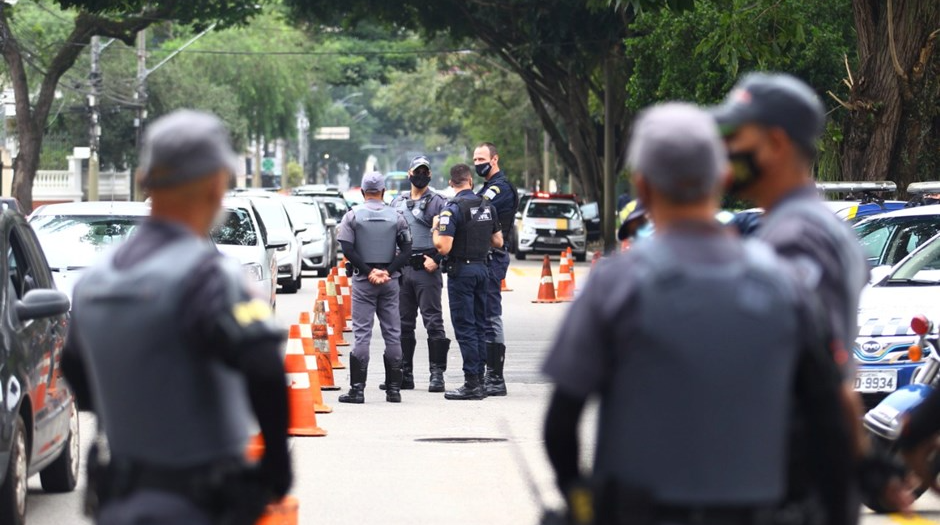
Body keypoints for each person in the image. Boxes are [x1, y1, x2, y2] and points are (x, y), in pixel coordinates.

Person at [543, 103, 854, 525]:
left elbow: (561, 425)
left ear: (643, 188)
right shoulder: (787, 285)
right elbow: (829, 419)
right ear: (723, 179)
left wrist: (580, 500)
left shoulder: (615, 284)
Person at [60, 110, 291, 525]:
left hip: (120, 502)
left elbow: (75, 371)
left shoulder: (93, 282)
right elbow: (265, 368)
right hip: (200, 502)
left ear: (144, 179)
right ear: (216, 181)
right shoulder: (209, 276)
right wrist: (276, 465)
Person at [714, 72, 912, 515]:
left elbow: (815, 363)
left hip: (791, 477)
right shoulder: (820, 227)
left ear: (778, 143)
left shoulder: (795, 238)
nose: (728, 150)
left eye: (737, 137)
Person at [336, 172, 412, 404]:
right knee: (392, 333)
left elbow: (347, 249)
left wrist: (369, 272)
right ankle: (394, 390)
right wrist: (387, 271)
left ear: (362, 192)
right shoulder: (397, 216)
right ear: (383, 191)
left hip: (363, 281)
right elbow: (407, 250)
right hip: (389, 282)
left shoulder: (352, 216)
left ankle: (357, 390)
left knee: (362, 334)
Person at [433, 163, 502, 400]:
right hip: (483, 269)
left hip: (462, 272)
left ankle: (472, 382)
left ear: (452, 183)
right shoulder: (487, 206)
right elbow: (498, 241)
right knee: (480, 325)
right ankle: (480, 380)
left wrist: (435, 229)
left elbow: (444, 246)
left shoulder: (452, 209)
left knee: (465, 327)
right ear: (470, 181)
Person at [386, 155, 450, 392]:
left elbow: (450, 236)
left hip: (427, 268)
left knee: (433, 321)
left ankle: (437, 375)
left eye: (425, 171)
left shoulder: (439, 202)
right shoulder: (397, 202)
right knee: (403, 323)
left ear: (430, 175)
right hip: (402, 269)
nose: (420, 175)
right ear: (409, 173)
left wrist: (437, 259)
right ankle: (405, 373)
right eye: (417, 171)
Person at [473, 142, 518, 397]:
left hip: (494, 256)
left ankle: (496, 378)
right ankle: (483, 372)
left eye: (482, 158)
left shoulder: (499, 188)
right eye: (475, 159)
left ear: (495, 159)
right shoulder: (488, 187)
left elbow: (476, 210)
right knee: (480, 314)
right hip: (483, 256)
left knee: (490, 314)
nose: (478, 162)